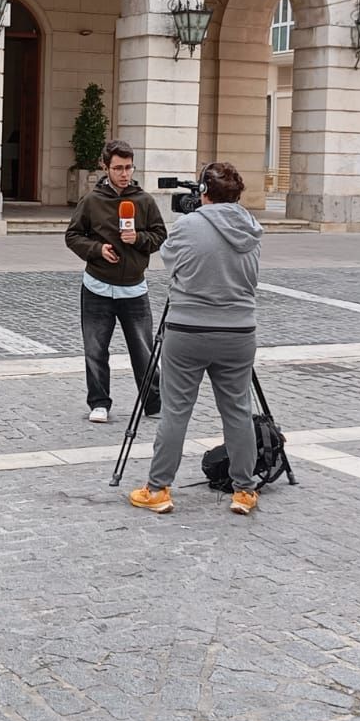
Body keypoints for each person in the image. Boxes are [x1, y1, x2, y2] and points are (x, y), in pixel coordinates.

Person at [129, 162, 265, 516]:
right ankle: (244, 490)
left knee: (176, 411)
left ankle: (158, 489)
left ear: (204, 191)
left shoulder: (189, 224)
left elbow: (171, 264)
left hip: (189, 328)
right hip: (239, 331)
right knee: (237, 410)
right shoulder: (251, 227)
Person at [65, 140, 169, 423]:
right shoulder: (91, 201)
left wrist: (139, 238)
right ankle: (99, 403)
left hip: (135, 288)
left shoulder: (144, 201)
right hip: (97, 287)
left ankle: (153, 402)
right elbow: (73, 236)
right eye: (118, 168)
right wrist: (98, 250)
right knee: (95, 349)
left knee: (143, 350)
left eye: (128, 167)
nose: (124, 173)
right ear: (105, 167)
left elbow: (160, 235)